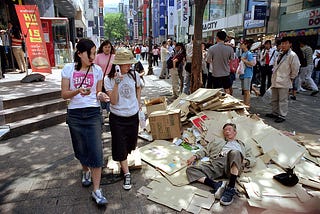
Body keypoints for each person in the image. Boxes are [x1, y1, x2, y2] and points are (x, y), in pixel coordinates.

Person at [61, 38, 109, 205]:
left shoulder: (97, 70)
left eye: (95, 53)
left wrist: (101, 95)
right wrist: (77, 91)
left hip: (93, 114)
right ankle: (85, 170)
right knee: (80, 148)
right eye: (91, 53)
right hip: (74, 115)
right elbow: (64, 94)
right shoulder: (68, 69)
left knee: (96, 150)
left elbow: (97, 92)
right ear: (80, 53)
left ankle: (97, 190)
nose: (94, 57)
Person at [186, 123, 256, 206]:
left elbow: (252, 159)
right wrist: (194, 156)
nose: (227, 131)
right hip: (217, 164)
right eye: (225, 130)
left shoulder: (243, 145)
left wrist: (244, 161)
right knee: (190, 170)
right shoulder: (217, 141)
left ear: (235, 132)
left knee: (235, 153)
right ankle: (216, 184)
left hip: (233, 166)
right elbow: (205, 150)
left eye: (229, 129)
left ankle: (230, 188)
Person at [104, 48, 141, 191]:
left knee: (130, 143)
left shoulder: (134, 75)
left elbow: (138, 88)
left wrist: (138, 104)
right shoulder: (109, 79)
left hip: (132, 116)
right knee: (120, 145)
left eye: (130, 64)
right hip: (117, 117)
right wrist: (117, 84)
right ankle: (126, 173)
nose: (129, 66)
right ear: (118, 65)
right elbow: (113, 101)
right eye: (126, 64)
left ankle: (124, 161)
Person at [266, 37, 300, 123]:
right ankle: (275, 112)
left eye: (285, 43)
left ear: (290, 44)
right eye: (282, 43)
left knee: (283, 99)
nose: (283, 45)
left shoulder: (292, 55)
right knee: (274, 98)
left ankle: (282, 115)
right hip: (275, 80)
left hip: (285, 80)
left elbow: (295, 68)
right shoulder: (279, 53)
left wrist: (291, 78)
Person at [93, 40, 115, 116]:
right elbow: (94, 69)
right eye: (105, 47)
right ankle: (102, 113)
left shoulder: (114, 56)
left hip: (111, 81)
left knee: (110, 98)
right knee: (102, 98)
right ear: (102, 48)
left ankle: (110, 114)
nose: (107, 49)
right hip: (100, 81)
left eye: (109, 47)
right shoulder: (98, 57)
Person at [239, 39, 255, 108]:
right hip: (243, 73)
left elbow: (252, 64)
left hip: (247, 74)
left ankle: (247, 105)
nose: (241, 45)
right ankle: (245, 104)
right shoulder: (243, 53)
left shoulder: (249, 53)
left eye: (242, 44)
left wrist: (244, 60)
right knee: (244, 90)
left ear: (246, 45)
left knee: (247, 90)